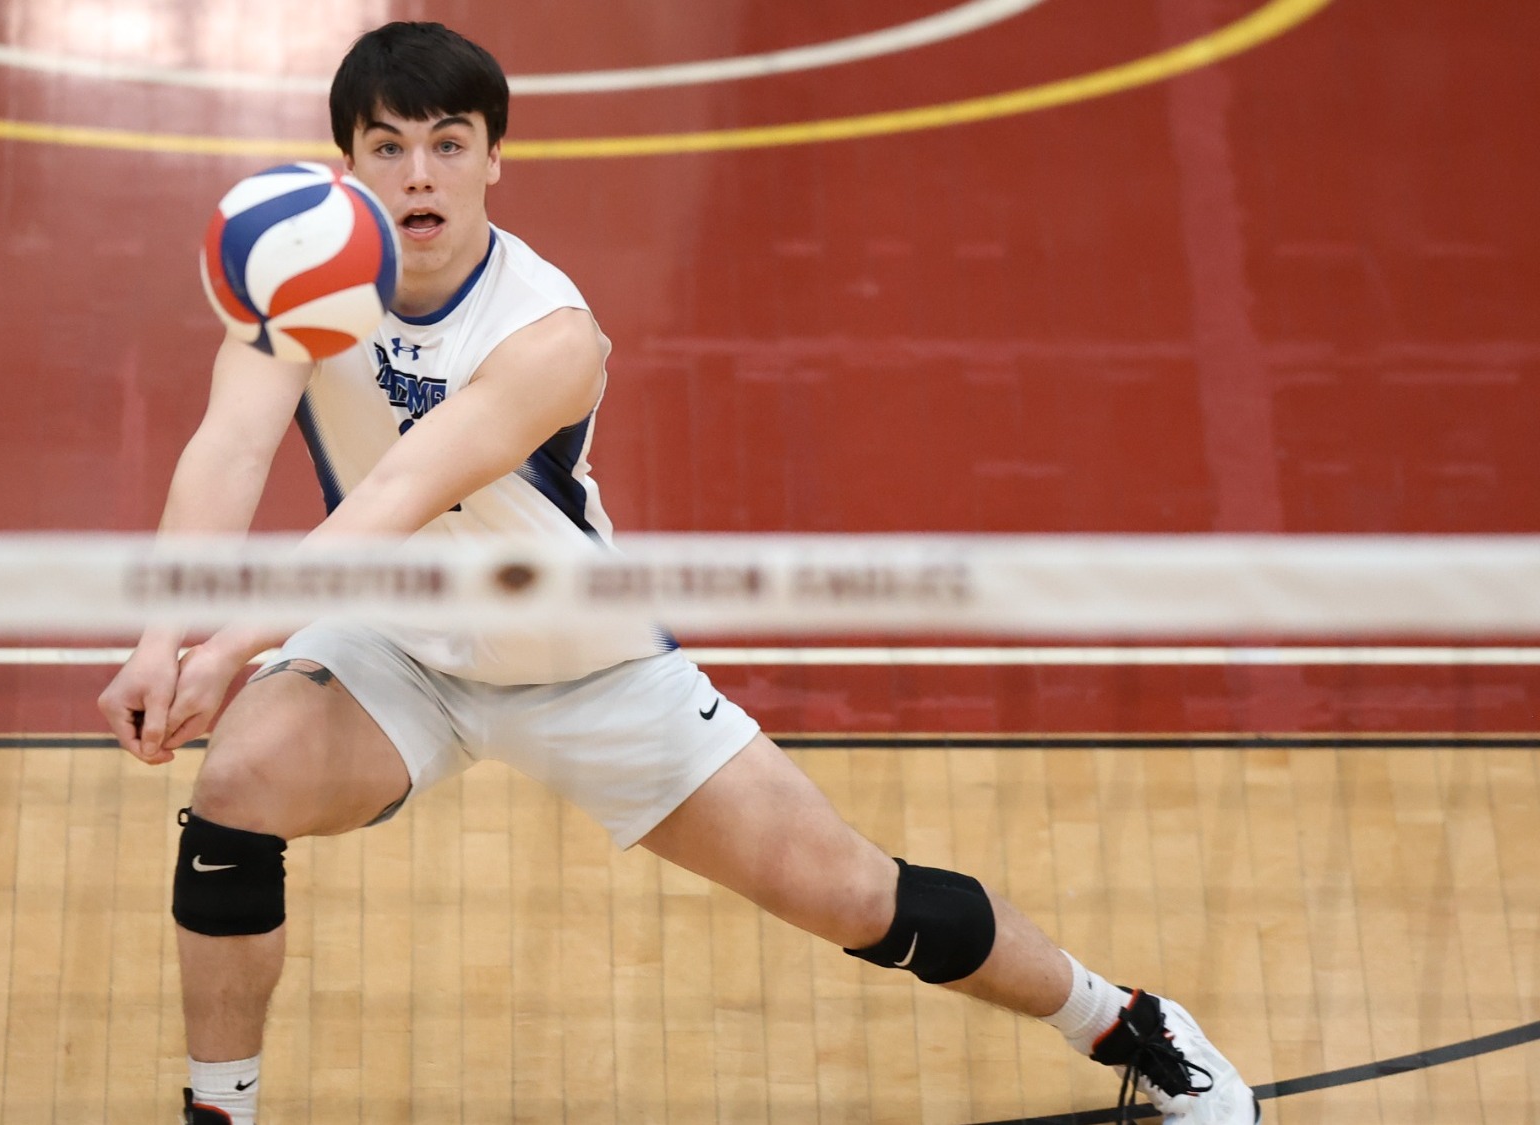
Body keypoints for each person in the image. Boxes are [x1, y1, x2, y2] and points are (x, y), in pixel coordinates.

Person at [98, 21, 1260, 1125]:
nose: (419, 177)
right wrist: (161, 640)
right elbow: (228, 447)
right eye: (388, 147)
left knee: (855, 897)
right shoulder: (296, 295)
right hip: (395, 643)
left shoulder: (546, 334)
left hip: (582, 664)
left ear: (493, 160)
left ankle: (1126, 1023)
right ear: (345, 165)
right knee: (236, 786)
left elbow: (400, 494)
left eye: (448, 145)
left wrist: (233, 644)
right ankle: (219, 1108)